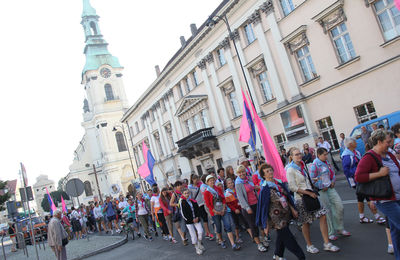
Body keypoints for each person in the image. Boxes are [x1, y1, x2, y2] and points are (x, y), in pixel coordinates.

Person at [355, 129, 400, 258]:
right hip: (386, 200)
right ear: (379, 141)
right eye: (388, 142)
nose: (390, 144)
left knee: (396, 232)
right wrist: (379, 174)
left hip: (397, 196)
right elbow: (359, 177)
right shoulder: (369, 157)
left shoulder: (389, 155)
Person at [286, 147, 339, 253]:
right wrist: (308, 193)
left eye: (300, 153)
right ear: (291, 157)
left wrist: (314, 180)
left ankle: (326, 243)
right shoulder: (290, 169)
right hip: (302, 199)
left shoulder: (303, 165)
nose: (299, 156)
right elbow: (292, 187)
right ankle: (309, 245)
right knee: (306, 223)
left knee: (323, 216)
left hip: (312, 195)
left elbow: (306, 179)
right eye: (296, 154)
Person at [256, 163, 305, 260]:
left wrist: (293, 209)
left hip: (285, 214)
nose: (270, 172)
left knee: (281, 236)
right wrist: (265, 224)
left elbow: (286, 197)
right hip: (276, 218)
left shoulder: (278, 183)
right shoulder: (264, 188)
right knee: (288, 238)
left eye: (270, 170)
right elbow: (263, 207)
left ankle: (278, 255)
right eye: (267, 171)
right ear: (263, 175)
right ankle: (301, 256)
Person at [341, 137, 385, 224]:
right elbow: (346, 170)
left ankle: (362, 217)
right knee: (368, 196)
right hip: (356, 179)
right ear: (350, 144)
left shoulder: (356, 152)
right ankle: (377, 216)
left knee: (361, 198)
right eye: (354, 142)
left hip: (361, 177)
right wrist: (357, 174)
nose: (356, 143)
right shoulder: (346, 155)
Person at [310, 147, 351, 241]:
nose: (326, 156)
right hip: (322, 190)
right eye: (324, 154)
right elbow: (312, 179)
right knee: (327, 212)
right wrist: (320, 185)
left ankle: (340, 228)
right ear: (319, 155)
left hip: (330, 188)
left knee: (339, 206)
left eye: (326, 154)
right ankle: (330, 232)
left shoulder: (327, 163)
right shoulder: (315, 164)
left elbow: (332, 174)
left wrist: (333, 181)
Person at [204, 174, 241, 251]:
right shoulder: (206, 192)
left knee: (228, 226)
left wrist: (224, 208)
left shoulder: (218, 189)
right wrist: (216, 212)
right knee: (219, 228)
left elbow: (223, 199)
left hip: (223, 209)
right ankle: (221, 240)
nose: (212, 182)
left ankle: (233, 244)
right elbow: (208, 205)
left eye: (213, 180)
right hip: (215, 212)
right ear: (207, 182)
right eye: (210, 181)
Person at [235, 165, 267, 252]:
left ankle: (263, 239)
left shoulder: (248, 179)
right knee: (253, 225)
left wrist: (256, 188)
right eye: (240, 172)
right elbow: (240, 197)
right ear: (237, 174)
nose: (242, 173)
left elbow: (253, 189)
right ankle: (259, 244)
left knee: (261, 222)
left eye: (243, 171)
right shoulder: (238, 183)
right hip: (248, 207)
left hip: (256, 203)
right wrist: (247, 207)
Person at [179, 188, 205, 255]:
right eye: (185, 193)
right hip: (189, 221)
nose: (187, 194)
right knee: (193, 235)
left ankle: (199, 243)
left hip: (196, 219)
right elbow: (183, 214)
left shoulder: (193, 201)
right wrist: (191, 220)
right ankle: (197, 248)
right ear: (183, 194)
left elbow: (198, 210)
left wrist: (197, 217)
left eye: (188, 193)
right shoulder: (182, 202)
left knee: (200, 231)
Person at [188, 174, 214, 240]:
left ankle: (207, 232)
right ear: (192, 180)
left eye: (197, 178)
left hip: (203, 203)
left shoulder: (201, 185)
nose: (196, 180)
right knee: (204, 219)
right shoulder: (190, 188)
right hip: (197, 205)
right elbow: (190, 197)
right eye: (195, 179)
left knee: (206, 218)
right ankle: (207, 232)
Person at [225, 177, 250, 244]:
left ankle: (252, 235)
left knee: (245, 221)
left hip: (241, 207)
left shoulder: (236, 189)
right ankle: (237, 237)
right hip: (234, 211)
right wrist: (234, 209)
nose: (231, 184)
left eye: (232, 183)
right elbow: (228, 204)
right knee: (236, 224)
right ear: (227, 185)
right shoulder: (227, 193)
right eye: (229, 183)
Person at [170, 181, 188, 245]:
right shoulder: (174, 194)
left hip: (186, 211)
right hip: (179, 212)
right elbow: (171, 203)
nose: (180, 186)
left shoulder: (183, 192)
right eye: (178, 185)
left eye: (180, 185)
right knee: (183, 227)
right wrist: (177, 204)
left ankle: (184, 237)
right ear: (176, 187)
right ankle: (183, 239)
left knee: (185, 227)